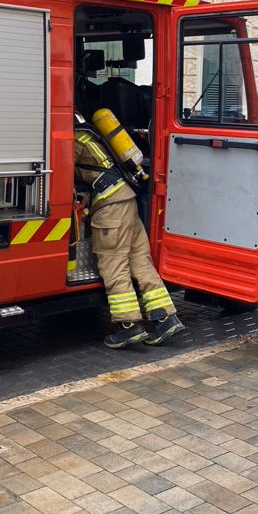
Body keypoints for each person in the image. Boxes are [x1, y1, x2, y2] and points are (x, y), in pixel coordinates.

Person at [74, 113, 185, 349]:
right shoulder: (91, 134)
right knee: (140, 261)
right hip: (127, 200)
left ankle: (128, 326)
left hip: (110, 207)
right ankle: (165, 318)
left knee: (114, 264)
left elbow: (60, 171)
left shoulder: (72, 139)